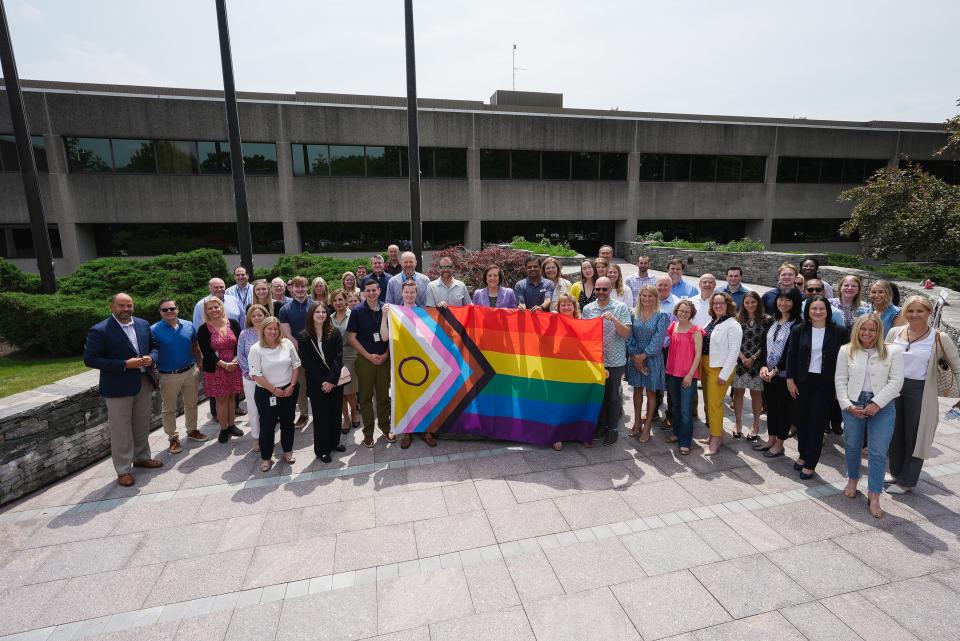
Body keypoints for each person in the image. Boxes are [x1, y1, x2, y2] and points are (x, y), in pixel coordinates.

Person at [83, 293, 162, 487]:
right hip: (118, 386)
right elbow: (90, 359)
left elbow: (154, 347)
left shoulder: (143, 324)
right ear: (111, 307)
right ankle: (123, 470)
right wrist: (124, 364)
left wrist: (152, 358)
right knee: (121, 430)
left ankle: (142, 457)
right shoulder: (100, 330)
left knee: (142, 423)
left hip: (143, 381)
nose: (126, 309)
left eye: (129, 306)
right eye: (121, 306)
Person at [885, 296, 960, 494]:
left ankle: (907, 481)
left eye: (920, 311)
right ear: (904, 312)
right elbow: (882, 361)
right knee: (894, 433)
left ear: (929, 313)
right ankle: (896, 472)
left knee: (915, 436)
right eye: (910, 311)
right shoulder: (894, 333)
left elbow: (957, 367)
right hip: (893, 389)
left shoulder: (939, 338)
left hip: (920, 391)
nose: (915, 315)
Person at [835, 313, 904, 518]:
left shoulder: (893, 351)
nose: (867, 333)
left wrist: (877, 403)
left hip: (883, 404)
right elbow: (840, 380)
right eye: (863, 329)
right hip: (853, 404)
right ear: (857, 330)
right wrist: (847, 405)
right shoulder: (846, 350)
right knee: (853, 445)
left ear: (879, 331)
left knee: (878, 451)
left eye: (872, 330)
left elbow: (896, 381)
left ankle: (874, 494)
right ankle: (852, 478)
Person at [786, 296, 850, 479]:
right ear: (808, 311)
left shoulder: (839, 331)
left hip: (825, 383)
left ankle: (811, 463)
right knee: (801, 420)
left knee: (816, 422)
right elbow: (792, 355)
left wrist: (841, 386)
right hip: (802, 381)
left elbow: (845, 360)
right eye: (814, 308)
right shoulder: (799, 329)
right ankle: (803, 454)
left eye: (822, 308)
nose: (818, 312)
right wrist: (790, 379)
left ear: (828, 311)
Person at [383, 280, 438, 449]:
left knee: (425, 395)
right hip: (402, 360)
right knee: (405, 395)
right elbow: (385, 337)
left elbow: (432, 336)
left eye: (412, 292)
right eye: (406, 292)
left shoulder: (424, 312)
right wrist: (384, 316)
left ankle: (426, 429)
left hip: (421, 360)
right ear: (401, 293)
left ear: (417, 293)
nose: (409, 295)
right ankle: (407, 431)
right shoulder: (394, 312)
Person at [151, 298, 206, 454]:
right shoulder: (153, 330)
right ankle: (173, 438)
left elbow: (194, 344)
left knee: (192, 403)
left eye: (172, 308)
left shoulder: (188, 325)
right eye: (165, 310)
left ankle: (192, 431)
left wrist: (199, 362)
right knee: (169, 408)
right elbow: (151, 351)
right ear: (160, 312)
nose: (169, 312)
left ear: (177, 309)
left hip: (190, 371)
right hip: (168, 375)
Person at [582, 277, 632, 446]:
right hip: (596, 361)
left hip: (615, 360)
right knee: (598, 396)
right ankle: (602, 426)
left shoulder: (621, 307)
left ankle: (613, 429)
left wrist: (614, 320)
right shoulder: (588, 309)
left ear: (611, 290)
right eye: (598, 289)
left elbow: (626, 333)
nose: (601, 292)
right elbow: (583, 334)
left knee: (613, 397)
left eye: (605, 289)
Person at [347, 277, 396, 447]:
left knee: (383, 397)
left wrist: (386, 354)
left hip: (384, 358)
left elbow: (393, 336)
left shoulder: (388, 309)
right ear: (363, 293)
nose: (371, 293)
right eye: (368, 290)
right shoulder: (357, 311)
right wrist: (368, 356)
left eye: (374, 290)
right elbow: (351, 337)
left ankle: (386, 427)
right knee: (366, 398)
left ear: (379, 290)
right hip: (365, 360)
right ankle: (368, 432)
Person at [756, 287, 803, 458]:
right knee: (771, 408)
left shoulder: (798, 324)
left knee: (783, 410)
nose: (783, 303)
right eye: (780, 299)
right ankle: (771, 439)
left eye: (788, 300)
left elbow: (792, 352)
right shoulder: (772, 320)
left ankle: (780, 444)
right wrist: (762, 366)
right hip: (767, 374)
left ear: (795, 302)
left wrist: (776, 370)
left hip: (784, 376)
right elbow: (764, 344)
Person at [249, 317, 301, 472]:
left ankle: (287, 451)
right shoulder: (256, 349)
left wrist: (291, 385)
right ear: (263, 330)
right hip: (267, 393)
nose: (273, 331)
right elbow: (256, 375)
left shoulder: (287, 344)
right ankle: (266, 457)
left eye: (276, 329)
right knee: (267, 425)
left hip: (288, 390)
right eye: (269, 328)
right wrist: (274, 390)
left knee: (288, 421)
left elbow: (295, 365)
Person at [299, 302, 346, 463]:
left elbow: (338, 359)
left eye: (323, 312)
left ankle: (335, 442)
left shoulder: (336, 333)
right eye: (317, 312)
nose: (320, 314)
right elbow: (308, 364)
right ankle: (322, 449)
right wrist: (323, 382)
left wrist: (331, 381)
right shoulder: (304, 336)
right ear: (311, 315)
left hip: (335, 382)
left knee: (335, 413)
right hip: (316, 384)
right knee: (320, 418)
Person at [197, 296, 244, 443]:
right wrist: (224, 364)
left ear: (221, 307)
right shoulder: (204, 329)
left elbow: (239, 344)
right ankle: (223, 429)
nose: (213, 310)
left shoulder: (234, 324)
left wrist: (235, 360)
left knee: (232, 397)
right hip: (216, 368)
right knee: (221, 399)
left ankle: (231, 425)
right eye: (210, 308)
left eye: (216, 306)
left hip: (234, 366)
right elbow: (206, 351)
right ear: (206, 311)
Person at [701, 292, 743, 455]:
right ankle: (712, 434)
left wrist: (724, 375)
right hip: (705, 365)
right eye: (715, 303)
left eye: (721, 303)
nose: (718, 306)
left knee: (715, 404)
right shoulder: (712, 321)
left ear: (728, 305)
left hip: (719, 369)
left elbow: (734, 352)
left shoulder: (733, 325)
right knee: (708, 401)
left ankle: (717, 439)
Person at [626, 285, 669, 442]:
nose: (646, 299)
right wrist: (635, 355)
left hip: (652, 358)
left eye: (650, 296)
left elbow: (659, 340)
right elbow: (628, 335)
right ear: (640, 297)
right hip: (635, 356)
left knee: (651, 392)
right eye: (644, 296)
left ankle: (648, 425)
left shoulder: (662, 315)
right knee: (637, 390)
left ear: (656, 298)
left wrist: (643, 356)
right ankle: (637, 422)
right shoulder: (633, 313)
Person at [665, 300, 704, 455]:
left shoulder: (696, 331)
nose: (683, 313)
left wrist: (690, 375)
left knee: (686, 410)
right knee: (674, 406)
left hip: (687, 376)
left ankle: (685, 441)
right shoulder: (673, 326)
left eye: (686, 312)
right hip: (672, 373)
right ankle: (677, 433)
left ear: (691, 314)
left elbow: (699, 353)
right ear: (676, 311)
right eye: (681, 310)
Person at [731, 291, 770, 441]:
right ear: (743, 304)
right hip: (740, 361)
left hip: (758, 362)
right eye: (747, 303)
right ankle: (738, 423)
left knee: (756, 394)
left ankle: (755, 425)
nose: (750, 305)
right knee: (738, 392)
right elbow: (734, 340)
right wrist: (742, 357)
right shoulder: (737, 318)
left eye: (753, 302)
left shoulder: (767, 320)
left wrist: (753, 358)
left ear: (758, 303)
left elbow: (766, 342)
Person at [552, 293, 587, 450]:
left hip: (578, 367)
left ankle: (579, 433)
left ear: (575, 307)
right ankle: (557, 435)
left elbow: (590, 348)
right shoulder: (553, 322)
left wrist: (599, 368)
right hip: (558, 367)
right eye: (563, 305)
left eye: (569, 304)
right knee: (559, 402)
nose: (566, 307)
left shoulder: (583, 323)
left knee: (578, 401)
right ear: (558, 307)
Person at [279, 276, 313, 427]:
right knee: (300, 385)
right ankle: (304, 414)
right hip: (296, 352)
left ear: (307, 287)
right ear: (291, 288)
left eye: (303, 286)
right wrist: (300, 348)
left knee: (318, 382)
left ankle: (320, 411)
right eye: (296, 287)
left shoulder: (315, 305)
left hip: (316, 351)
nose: (300, 289)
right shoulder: (285, 309)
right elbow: (287, 333)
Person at [237, 304, 269, 452]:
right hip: (251, 378)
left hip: (270, 377)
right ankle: (256, 437)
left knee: (270, 408)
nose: (257, 318)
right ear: (249, 318)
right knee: (254, 407)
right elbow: (241, 355)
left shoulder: (271, 331)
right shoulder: (244, 334)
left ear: (265, 315)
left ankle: (268, 433)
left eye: (259, 315)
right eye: (254, 315)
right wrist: (250, 373)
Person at [330, 289, 360, 433]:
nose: (338, 303)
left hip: (350, 355)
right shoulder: (329, 318)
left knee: (349, 390)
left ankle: (354, 413)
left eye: (340, 299)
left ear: (346, 300)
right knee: (339, 392)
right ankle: (345, 418)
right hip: (335, 358)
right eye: (335, 300)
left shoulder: (354, 315)